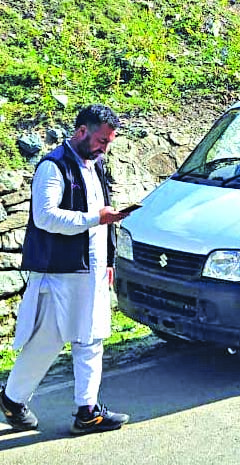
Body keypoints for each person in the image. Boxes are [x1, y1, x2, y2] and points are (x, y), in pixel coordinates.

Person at [0, 104, 131, 434]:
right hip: (60, 272)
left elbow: (105, 217)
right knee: (58, 339)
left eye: (109, 142)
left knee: (87, 337)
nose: (105, 147)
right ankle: (67, 409)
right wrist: (94, 220)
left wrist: (110, 259)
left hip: (92, 270)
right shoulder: (52, 167)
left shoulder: (94, 163)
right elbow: (45, 217)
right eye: (102, 140)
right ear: (82, 131)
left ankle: (78, 408)